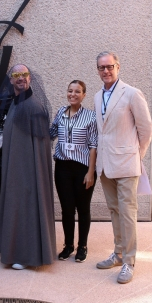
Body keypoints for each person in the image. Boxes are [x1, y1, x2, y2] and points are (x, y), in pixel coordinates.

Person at [94, 51, 152, 283]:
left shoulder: (131, 93)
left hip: (127, 163)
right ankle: (118, 253)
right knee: (114, 211)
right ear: (97, 70)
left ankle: (129, 261)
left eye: (109, 66)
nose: (106, 71)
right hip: (106, 165)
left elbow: (146, 129)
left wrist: (136, 156)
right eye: (101, 68)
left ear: (118, 67)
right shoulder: (98, 96)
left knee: (128, 213)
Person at [0, 65, 56, 269]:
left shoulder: (33, 106)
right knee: (16, 206)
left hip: (28, 172)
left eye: (25, 75)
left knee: (27, 207)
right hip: (16, 169)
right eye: (16, 75)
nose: (21, 78)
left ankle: (27, 255)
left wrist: (32, 176)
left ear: (30, 79)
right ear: (11, 80)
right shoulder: (15, 103)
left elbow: (40, 148)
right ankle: (15, 251)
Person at [50, 81, 98, 262]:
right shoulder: (61, 113)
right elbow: (51, 133)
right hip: (62, 167)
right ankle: (68, 245)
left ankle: (82, 246)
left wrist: (91, 172)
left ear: (84, 95)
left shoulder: (90, 117)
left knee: (83, 208)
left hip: (82, 168)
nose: (73, 94)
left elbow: (93, 145)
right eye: (70, 91)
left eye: (77, 91)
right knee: (67, 209)